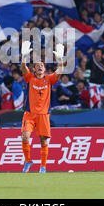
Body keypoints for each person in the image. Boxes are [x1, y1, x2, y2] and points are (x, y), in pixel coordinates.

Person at [20, 41, 65, 173]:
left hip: (44, 115)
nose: (40, 66)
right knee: (25, 137)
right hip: (29, 114)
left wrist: (60, 60)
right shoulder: (30, 78)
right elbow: (23, 68)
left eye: (42, 65)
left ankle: (43, 167)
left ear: (45, 69)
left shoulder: (49, 79)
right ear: (34, 69)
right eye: (37, 65)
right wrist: (24, 57)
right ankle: (28, 161)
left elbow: (60, 71)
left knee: (43, 141)